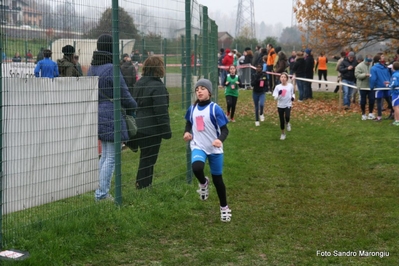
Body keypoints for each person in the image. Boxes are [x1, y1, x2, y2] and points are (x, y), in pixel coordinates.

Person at [87, 34, 137, 201]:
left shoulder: (92, 68)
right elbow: (124, 93)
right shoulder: (111, 68)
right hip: (112, 115)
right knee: (112, 156)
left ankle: (100, 191)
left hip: (97, 113)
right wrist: (135, 105)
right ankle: (101, 194)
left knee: (106, 155)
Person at [183, 79, 231, 222]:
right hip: (198, 146)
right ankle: (203, 183)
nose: (199, 91)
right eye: (197, 89)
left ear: (209, 92)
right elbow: (189, 123)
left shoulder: (215, 108)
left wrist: (219, 140)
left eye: (203, 88)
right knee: (197, 168)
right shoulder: (192, 109)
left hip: (214, 149)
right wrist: (187, 133)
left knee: (218, 180)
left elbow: (225, 130)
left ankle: (224, 208)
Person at [130, 56, 172, 189]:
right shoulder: (158, 86)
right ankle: (143, 185)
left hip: (138, 126)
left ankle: (142, 183)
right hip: (151, 129)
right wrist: (166, 131)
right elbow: (161, 111)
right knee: (149, 159)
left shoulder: (139, 83)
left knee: (145, 157)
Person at [370, 54, 393, 121]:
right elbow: (389, 76)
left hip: (379, 87)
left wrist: (371, 87)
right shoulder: (385, 67)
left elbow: (373, 78)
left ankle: (379, 117)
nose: (384, 57)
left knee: (379, 102)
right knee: (389, 101)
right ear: (379, 60)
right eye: (382, 57)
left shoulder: (374, 68)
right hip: (386, 87)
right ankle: (394, 113)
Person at [273, 72, 295, 140]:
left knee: (287, 116)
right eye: (282, 77)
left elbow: (293, 93)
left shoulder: (290, 86)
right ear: (280, 78)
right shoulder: (277, 87)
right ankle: (283, 133)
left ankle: (287, 123)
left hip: (288, 104)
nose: (283, 78)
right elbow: (275, 98)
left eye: (284, 77)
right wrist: (279, 94)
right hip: (280, 105)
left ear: (287, 79)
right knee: (281, 120)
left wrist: (293, 98)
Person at [355, 54, 375, 120]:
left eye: (370, 61)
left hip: (370, 86)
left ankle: (370, 113)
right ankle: (363, 114)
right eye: (368, 61)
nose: (369, 62)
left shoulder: (372, 65)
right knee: (363, 100)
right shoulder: (359, 66)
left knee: (372, 99)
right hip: (362, 86)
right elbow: (357, 75)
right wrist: (365, 75)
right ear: (365, 59)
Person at [389, 61, 399, 126]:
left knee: (395, 107)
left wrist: (389, 85)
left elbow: (394, 84)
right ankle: (396, 120)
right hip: (396, 92)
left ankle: (397, 121)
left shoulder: (395, 75)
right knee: (395, 107)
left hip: (396, 92)